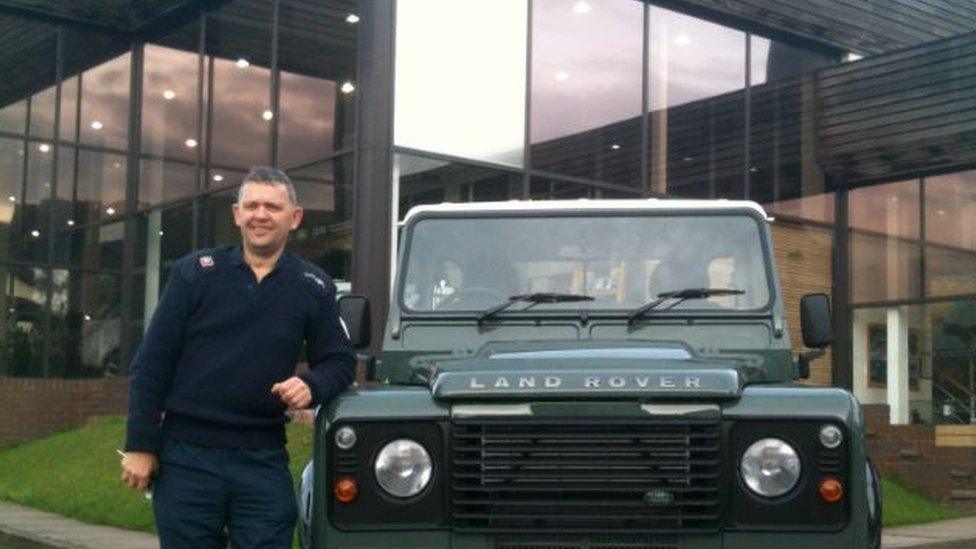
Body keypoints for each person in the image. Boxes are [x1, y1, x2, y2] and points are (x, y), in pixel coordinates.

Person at [120, 167, 355, 548]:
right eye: (252, 205)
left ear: (294, 218)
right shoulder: (194, 274)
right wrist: (141, 444)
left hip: (261, 460)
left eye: (273, 207)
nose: (261, 215)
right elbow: (152, 364)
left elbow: (340, 362)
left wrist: (312, 384)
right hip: (185, 459)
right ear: (237, 214)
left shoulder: (313, 287)